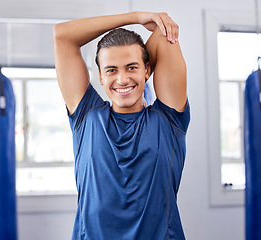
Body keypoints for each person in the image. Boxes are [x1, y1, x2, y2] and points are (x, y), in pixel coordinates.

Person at [54, 11, 190, 240]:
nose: (122, 79)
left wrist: (140, 67)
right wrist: (135, 17)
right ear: (100, 75)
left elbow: (162, 32)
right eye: (111, 70)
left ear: (147, 69)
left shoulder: (168, 120)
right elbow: (62, 36)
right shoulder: (86, 117)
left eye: (132, 67)